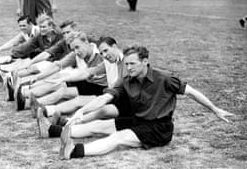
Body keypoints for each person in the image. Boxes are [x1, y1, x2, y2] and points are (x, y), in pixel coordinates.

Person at [55, 45, 234, 160]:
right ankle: (54, 130)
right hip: (139, 121)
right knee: (101, 125)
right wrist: (82, 112)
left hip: (158, 128)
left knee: (118, 138)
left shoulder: (164, 78)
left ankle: (73, 151)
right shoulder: (127, 80)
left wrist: (215, 109)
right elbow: (105, 98)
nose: (129, 68)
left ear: (145, 62)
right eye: (127, 64)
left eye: (133, 64)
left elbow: (192, 93)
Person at [34, 37, 128, 128]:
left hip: (122, 99)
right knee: (87, 103)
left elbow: (117, 86)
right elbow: (88, 72)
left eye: (106, 50)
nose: (104, 55)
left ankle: (65, 121)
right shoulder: (107, 61)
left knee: (100, 109)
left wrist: (83, 110)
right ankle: (56, 116)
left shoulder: (126, 63)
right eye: (102, 53)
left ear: (115, 46)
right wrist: (63, 79)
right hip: (111, 94)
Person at [15, 32, 107, 111]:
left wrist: (63, 79)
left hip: (101, 87)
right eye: (73, 49)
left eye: (77, 47)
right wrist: (38, 77)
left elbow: (85, 74)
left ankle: (31, 104)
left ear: (86, 42)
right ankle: (23, 94)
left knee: (63, 91)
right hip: (87, 81)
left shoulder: (102, 54)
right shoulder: (76, 54)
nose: (76, 51)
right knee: (57, 83)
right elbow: (57, 66)